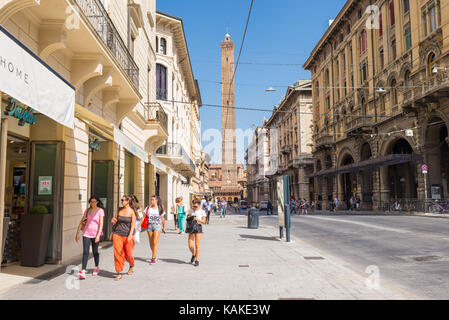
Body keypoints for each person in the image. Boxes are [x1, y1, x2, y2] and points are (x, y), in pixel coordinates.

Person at [75, 196, 104, 280]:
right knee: (85, 252)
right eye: (91, 202)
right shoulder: (87, 211)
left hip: (95, 234)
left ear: (97, 202)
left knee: (95, 252)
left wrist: (98, 235)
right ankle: (83, 270)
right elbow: (82, 222)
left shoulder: (100, 211)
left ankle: (96, 267)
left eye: (94, 201)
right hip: (86, 233)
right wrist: (77, 233)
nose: (92, 203)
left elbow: (101, 224)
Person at [111, 195, 136, 281]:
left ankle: (132, 264)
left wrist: (130, 236)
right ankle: (119, 272)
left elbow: (133, 225)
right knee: (118, 253)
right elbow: (115, 220)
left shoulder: (132, 212)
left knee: (128, 254)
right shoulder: (119, 210)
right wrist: (113, 220)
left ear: (128, 201)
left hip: (128, 235)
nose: (121, 202)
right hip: (117, 234)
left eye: (123, 200)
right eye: (121, 200)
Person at [139, 195, 166, 264]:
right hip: (150, 226)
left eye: (153, 199)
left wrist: (164, 227)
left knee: (154, 242)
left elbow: (163, 219)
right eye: (151, 199)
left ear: (156, 200)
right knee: (151, 243)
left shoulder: (160, 208)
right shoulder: (148, 208)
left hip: (157, 226)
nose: (152, 201)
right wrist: (139, 226)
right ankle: (155, 253)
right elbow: (143, 217)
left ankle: (153, 258)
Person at [186, 199, 207, 267]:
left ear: (199, 205)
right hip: (191, 227)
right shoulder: (191, 210)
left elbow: (204, 221)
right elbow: (187, 217)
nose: (194, 208)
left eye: (196, 206)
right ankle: (194, 254)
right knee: (190, 245)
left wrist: (197, 219)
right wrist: (189, 217)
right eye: (193, 206)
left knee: (197, 245)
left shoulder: (202, 211)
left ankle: (197, 260)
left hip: (198, 227)